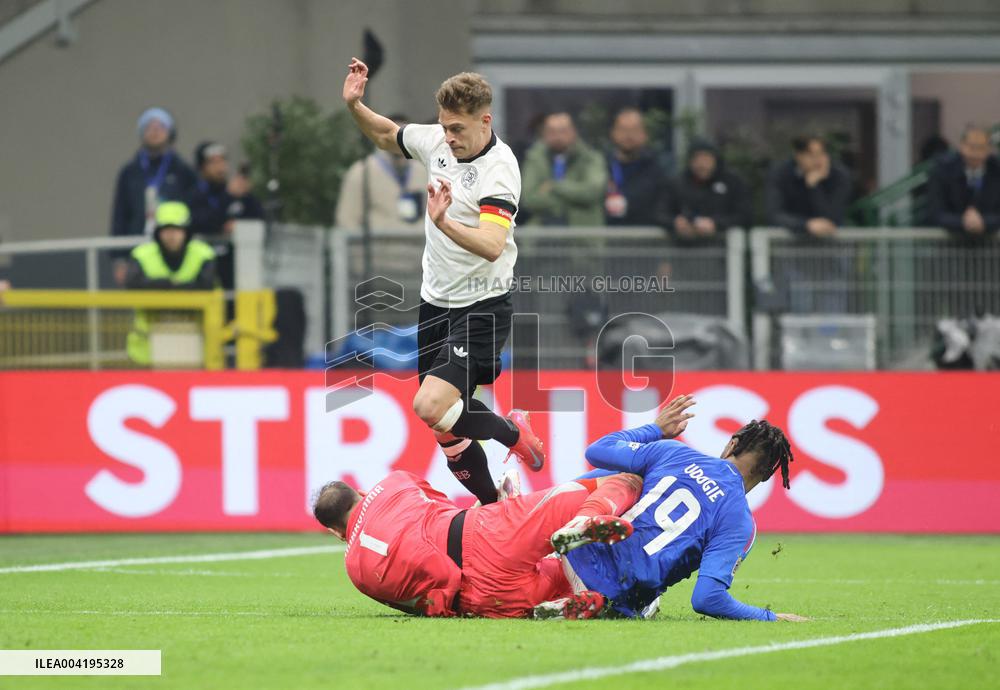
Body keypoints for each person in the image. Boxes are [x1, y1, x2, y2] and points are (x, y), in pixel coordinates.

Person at [341, 58, 544, 505]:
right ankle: (494, 508)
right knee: (442, 424)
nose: (448, 137)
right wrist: (355, 103)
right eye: (444, 126)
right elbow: (384, 134)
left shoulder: (500, 170)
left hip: (482, 305)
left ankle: (511, 433)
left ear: (484, 121)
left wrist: (443, 221)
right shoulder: (436, 141)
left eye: (457, 128)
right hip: (435, 303)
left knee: (429, 406)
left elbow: (492, 244)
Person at [539, 394, 807, 622]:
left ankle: (547, 509)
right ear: (768, 475)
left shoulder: (675, 452)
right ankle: (594, 601)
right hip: (620, 595)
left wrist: (655, 429)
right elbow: (707, 599)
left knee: (622, 477)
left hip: (573, 555)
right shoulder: (740, 522)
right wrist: (770, 617)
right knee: (649, 601)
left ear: (732, 444)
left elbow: (598, 450)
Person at [313, 469, 642, 618]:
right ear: (360, 492)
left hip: (477, 598)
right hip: (483, 533)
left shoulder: (356, 570)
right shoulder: (392, 483)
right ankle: (586, 518)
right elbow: (443, 510)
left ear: (336, 532)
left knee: (560, 585)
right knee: (618, 481)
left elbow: (414, 604)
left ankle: (567, 601)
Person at [111, 107, 197, 283]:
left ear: (170, 132)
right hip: (137, 243)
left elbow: (194, 207)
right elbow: (120, 215)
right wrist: (119, 258)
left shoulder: (182, 170)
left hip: (175, 248)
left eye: (160, 127)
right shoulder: (130, 172)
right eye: (150, 128)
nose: (155, 132)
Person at [124, 201, 217, 365]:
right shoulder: (141, 255)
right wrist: (176, 286)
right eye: (166, 230)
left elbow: (206, 287)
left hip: (194, 342)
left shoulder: (203, 254)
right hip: (147, 349)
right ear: (158, 233)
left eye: (177, 229)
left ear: (186, 232)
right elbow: (133, 286)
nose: (172, 235)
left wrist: (161, 287)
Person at [188, 141, 264, 290]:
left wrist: (247, 199)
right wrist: (228, 196)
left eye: (222, 160)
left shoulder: (239, 193)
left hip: (237, 267)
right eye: (213, 162)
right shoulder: (195, 194)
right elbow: (201, 223)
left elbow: (259, 220)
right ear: (202, 167)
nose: (220, 167)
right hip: (205, 268)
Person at [336, 114, 429, 231]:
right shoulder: (362, 172)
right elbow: (347, 220)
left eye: (404, 136)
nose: (399, 141)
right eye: (394, 135)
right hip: (379, 247)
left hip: (418, 247)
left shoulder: (423, 170)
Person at [521, 112, 608, 227]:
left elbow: (593, 191)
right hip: (542, 233)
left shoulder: (591, 158)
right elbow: (528, 198)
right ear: (544, 134)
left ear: (574, 132)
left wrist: (554, 186)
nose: (558, 137)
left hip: (583, 234)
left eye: (563, 131)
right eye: (552, 132)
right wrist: (571, 200)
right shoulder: (534, 158)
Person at [766, 135, 852, 238]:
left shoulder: (838, 176)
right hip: (791, 244)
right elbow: (774, 215)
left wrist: (814, 187)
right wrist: (806, 225)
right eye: (812, 155)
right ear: (798, 155)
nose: (818, 160)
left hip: (830, 245)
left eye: (821, 154)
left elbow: (833, 218)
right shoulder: (781, 174)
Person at [926, 125, 1000, 238]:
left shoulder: (996, 169)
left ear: (989, 149)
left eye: (981, 147)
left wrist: (984, 221)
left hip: (990, 248)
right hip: (951, 247)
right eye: (971, 147)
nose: (975, 153)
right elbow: (936, 212)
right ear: (961, 146)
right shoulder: (942, 169)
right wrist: (963, 222)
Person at [672, 139, 751, 240]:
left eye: (706, 158)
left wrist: (716, 224)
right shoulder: (678, 183)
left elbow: (745, 215)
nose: (701, 164)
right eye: (697, 158)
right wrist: (675, 222)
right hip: (683, 250)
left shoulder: (733, 182)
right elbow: (661, 212)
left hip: (725, 248)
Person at [604, 108, 669, 227]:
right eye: (623, 129)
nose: (629, 135)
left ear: (645, 134)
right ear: (613, 133)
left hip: (645, 241)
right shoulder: (601, 167)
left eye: (634, 130)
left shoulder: (657, 170)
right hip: (606, 240)